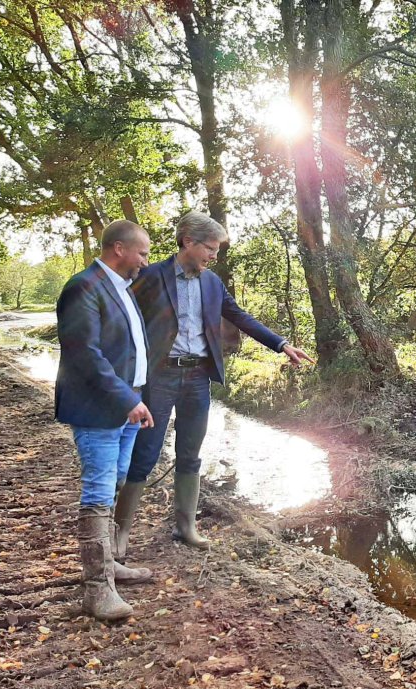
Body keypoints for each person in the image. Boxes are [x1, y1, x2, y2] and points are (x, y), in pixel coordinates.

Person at [113, 211, 313, 558]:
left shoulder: (212, 282)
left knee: (190, 455)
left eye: (217, 251)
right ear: (188, 241)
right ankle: (121, 533)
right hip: (159, 377)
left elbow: (239, 316)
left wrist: (281, 344)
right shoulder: (151, 275)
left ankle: (185, 526)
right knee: (144, 455)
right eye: (210, 248)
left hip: (197, 379)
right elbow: (121, 317)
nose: (214, 256)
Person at [56, 220, 156, 622]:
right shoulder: (83, 286)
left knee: (113, 480)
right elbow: (84, 352)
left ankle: (109, 565)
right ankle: (97, 590)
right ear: (119, 249)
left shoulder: (121, 288)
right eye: (143, 253)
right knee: (97, 491)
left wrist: (139, 397)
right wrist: (126, 398)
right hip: (101, 408)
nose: (146, 262)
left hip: (129, 405)